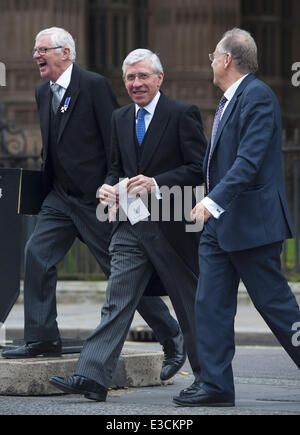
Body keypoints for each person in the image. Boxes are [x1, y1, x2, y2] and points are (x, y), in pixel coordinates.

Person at [2, 28, 191, 383]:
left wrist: (113, 187)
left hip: (97, 200)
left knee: (122, 276)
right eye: (34, 49)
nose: (35, 55)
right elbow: (53, 148)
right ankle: (42, 337)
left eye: (43, 49)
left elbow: (116, 141)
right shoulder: (43, 92)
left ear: (66, 52)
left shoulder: (94, 86)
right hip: (60, 198)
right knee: (36, 254)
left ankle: (172, 336)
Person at [49, 48, 207, 402]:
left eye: (143, 76)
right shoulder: (120, 118)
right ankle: (91, 376)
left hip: (172, 227)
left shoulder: (182, 114)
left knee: (189, 305)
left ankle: (208, 379)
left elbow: (199, 169)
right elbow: (115, 168)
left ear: (159, 78)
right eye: (131, 78)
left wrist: (157, 182)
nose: (137, 84)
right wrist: (107, 187)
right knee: (117, 301)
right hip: (130, 226)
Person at [173, 28, 300, 408]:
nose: (210, 62)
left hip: (252, 225)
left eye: (213, 56)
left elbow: (249, 161)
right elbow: (218, 163)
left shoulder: (258, 97)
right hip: (221, 226)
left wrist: (211, 202)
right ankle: (216, 385)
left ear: (227, 59)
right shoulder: (229, 100)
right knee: (209, 303)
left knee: (276, 306)